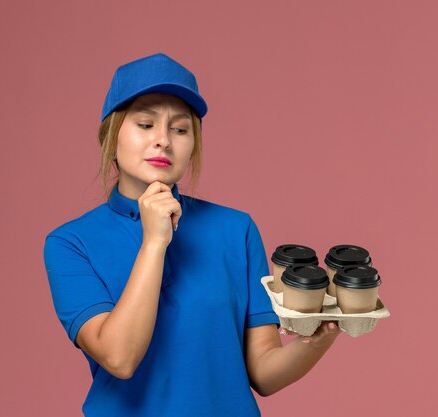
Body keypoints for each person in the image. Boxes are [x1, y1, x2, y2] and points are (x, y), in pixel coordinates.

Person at [43, 52, 340, 417]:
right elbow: (119, 358)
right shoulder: (70, 244)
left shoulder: (236, 229)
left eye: (180, 129)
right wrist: (154, 242)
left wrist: (321, 336)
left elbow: (263, 371)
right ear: (111, 135)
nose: (163, 141)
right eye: (145, 124)